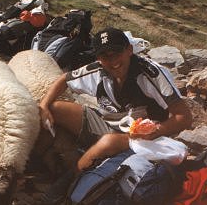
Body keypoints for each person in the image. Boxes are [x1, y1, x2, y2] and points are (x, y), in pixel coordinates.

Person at [40, 27, 192, 172]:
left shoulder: (151, 74)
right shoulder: (97, 70)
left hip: (140, 137)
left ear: (129, 50)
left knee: (108, 142)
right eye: (105, 55)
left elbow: (184, 117)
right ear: (98, 58)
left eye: (116, 52)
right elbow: (64, 80)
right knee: (55, 108)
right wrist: (44, 105)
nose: (112, 61)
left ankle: (72, 182)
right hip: (107, 123)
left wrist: (156, 131)